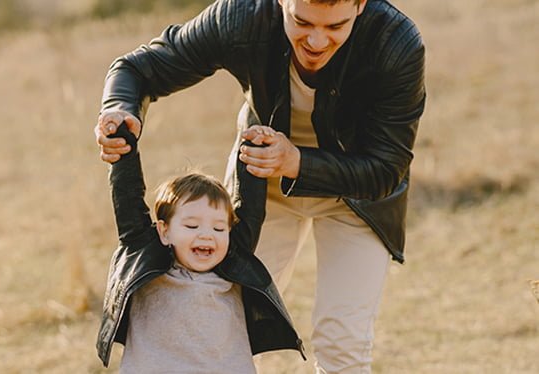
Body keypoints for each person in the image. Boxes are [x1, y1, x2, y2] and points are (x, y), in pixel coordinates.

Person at [94, 0, 425, 372]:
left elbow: (387, 168)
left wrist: (296, 161)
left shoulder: (396, 43)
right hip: (260, 190)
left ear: (361, 4)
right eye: (301, 22)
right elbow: (139, 68)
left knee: (342, 340)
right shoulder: (241, 17)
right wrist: (120, 107)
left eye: (335, 27)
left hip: (358, 198)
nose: (316, 41)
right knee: (213, 312)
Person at [96, 126, 302, 372]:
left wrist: (254, 146)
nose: (206, 235)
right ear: (164, 231)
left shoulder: (233, 263)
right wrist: (122, 145)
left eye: (218, 228)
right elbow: (127, 198)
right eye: (192, 225)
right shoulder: (147, 259)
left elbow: (251, 208)